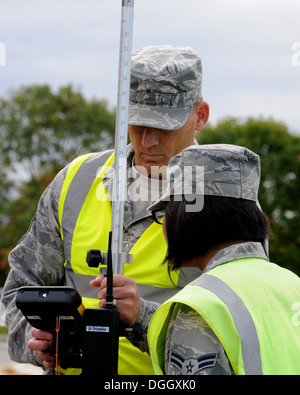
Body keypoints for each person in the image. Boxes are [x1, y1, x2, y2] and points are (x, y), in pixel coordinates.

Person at [0, 45, 209, 375]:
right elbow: (19, 290)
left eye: (164, 126)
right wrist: (39, 341)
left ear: (201, 116)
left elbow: (237, 326)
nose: (148, 141)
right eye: (137, 123)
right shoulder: (75, 181)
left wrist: (143, 317)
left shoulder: (224, 197)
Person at [93, 144, 300, 375]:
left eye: (164, 214)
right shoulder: (292, 285)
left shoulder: (199, 306)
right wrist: (139, 314)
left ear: (187, 216)